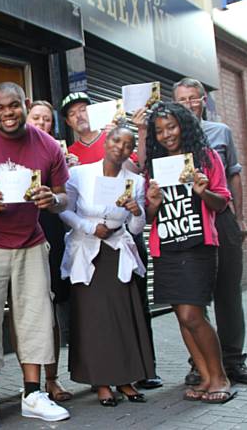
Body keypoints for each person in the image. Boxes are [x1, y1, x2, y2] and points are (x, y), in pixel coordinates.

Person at [0, 82, 70, 427]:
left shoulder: (47, 145)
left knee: (36, 317)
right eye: (1, 107)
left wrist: (54, 201)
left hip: (31, 241)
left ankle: (33, 393)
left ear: (26, 104)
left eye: (14, 106)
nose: (8, 113)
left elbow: (66, 196)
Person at [144, 102, 235, 404]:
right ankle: (206, 377)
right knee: (182, 316)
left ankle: (219, 376)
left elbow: (221, 203)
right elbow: (148, 214)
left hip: (197, 246)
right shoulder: (154, 164)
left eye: (171, 127)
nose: (166, 134)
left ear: (184, 124)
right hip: (167, 248)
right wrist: (153, 203)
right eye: (159, 131)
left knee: (193, 314)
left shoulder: (206, 158)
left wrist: (203, 191)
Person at [60, 126, 154, 406]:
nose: (120, 148)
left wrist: (138, 212)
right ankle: (101, 382)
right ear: (106, 141)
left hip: (116, 250)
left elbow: (136, 226)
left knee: (122, 317)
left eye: (127, 145)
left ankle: (125, 379)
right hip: (87, 252)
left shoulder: (134, 181)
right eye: (116, 141)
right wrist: (89, 227)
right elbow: (64, 209)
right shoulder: (79, 174)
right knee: (94, 320)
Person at [172, 78, 247, 386]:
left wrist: (239, 217)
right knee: (194, 295)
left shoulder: (221, 133)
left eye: (194, 98)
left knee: (228, 293)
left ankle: (233, 361)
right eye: (182, 100)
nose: (189, 104)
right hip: (188, 222)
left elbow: (234, 174)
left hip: (220, 217)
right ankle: (201, 363)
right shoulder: (171, 136)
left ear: (204, 99)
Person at [26, 101, 73, 403]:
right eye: (36, 118)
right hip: (15, 233)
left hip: (50, 230)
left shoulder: (54, 153)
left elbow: (66, 195)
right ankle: (28, 383)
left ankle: (52, 379)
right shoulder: (8, 147)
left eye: (46, 120)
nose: (41, 123)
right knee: (24, 314)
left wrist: (54, 196)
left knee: (51, 309)